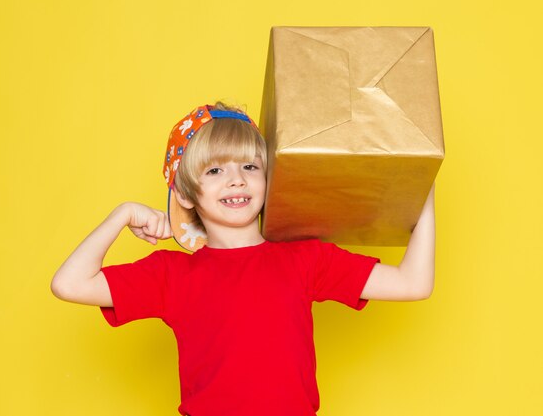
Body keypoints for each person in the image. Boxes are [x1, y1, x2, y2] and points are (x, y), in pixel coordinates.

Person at [51, 101, 436, 416]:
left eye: (250, 166)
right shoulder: (171, 274)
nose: (236, 180)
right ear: (185, 194)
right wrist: (122, 215)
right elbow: (69, 284)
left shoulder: (305, 258)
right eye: (215, 169)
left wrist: (422, 181)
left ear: (269, 178)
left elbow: (413, 283)